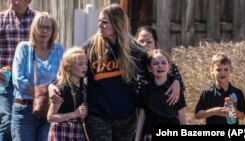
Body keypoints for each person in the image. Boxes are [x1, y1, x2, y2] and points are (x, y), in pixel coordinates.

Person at [49, 4, 181, 141]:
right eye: (99, 21)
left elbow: (160, 64)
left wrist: (175, 79)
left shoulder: (134, 50)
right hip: (97, 114)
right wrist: (52, 86)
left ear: (118, 24)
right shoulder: (89, 48)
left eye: (105, 22)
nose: (100, 25)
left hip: (126, 116)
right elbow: (66, 68)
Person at [11, 12, 64, 141]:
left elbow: (63, 78)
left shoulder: (59, 50)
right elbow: (18, 80)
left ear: (53, 31)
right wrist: (43, 94)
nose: (44, 31)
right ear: (34, 28)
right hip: (24, 110)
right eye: (40, 27)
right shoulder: (23, 48)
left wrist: (50, 94)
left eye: (48, 28)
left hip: (49, 111)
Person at [0, 0, 37, 140]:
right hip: (6, 80)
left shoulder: (38, 20)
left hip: (30, 81)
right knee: (8, 118)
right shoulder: (1, 19)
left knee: (29, 120)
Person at [134, 49, 187, 141]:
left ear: (169, 67)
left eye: (163, 63)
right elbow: (141, 118)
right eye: (155, 63)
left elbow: (182, 119)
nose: (160, 66)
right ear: (149, 68)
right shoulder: (144, 90)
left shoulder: (176, 90)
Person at [47, 47, 88, 141]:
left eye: (86, 64)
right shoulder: (62, 88)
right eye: (80, 64)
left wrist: (82, 114)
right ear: (68, 66)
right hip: (61, 132)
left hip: (77, 131)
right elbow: (50, 117)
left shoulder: (83, 87)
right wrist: (74, 114)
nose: (84, 67)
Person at [194, 53, 245, 124]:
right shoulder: (207, 92)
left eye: (226, 69)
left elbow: (242, 115)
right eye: (218, 70)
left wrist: (237, 113)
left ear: (231, 70)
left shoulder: (238, 92)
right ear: (212, 70)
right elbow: (197, 115)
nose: (222, 73)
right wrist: (214, 111)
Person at [134, 25, 185, 97]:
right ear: (135, 44)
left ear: (156, 44)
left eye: (149, 42)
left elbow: (180, 90)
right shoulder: (131, 64)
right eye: (141, 41)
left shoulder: (165, 63)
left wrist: (176, 80)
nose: (144, 45)